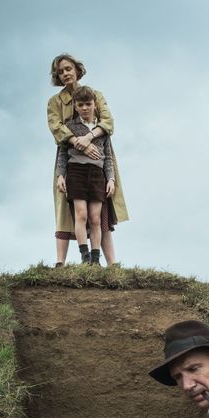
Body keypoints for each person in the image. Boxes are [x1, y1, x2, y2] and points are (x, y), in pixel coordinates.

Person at [47, 53, 129, 266]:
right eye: (60, 71)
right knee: (68, 209)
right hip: (71, 158)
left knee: (100, 212)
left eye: (68, 68)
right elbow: (56, 127)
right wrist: (77, 141)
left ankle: (110, 263)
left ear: (77, 69)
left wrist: (89, 137)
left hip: (98, 155)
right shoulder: (55, 102)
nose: (65, 73)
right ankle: (61, 262)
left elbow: (108, 121)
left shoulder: (95, 95)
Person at [56, 86, 115, 266]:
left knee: (95, 217)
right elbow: (63, 153)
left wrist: (111, 179)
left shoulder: (102, 129)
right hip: (76, 172)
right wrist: (60, 175)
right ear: (75, 106)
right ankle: (85, 256)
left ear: (94, 104)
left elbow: (108, 156)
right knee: (81, 214)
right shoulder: (70, 127)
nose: (84, 108)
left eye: (88, 104)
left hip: (97, 175)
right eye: (80, 105)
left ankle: (96, 259)